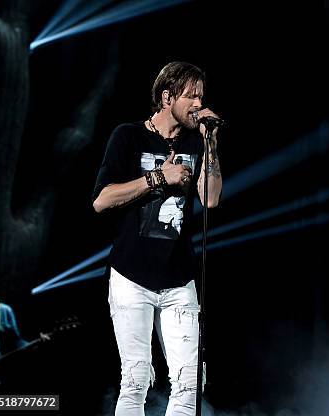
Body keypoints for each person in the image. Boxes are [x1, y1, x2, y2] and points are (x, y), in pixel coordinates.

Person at [92, 61, 223, 415]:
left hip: (180, 279)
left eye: (201, 95)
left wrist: (211, 145)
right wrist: (156, 178)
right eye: (190, 95)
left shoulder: (197, 142)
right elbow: (102, 201)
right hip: (131, 276)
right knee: (135, 380)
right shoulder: (128, 136)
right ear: (167, 97)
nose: (199, 102)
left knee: (189, 383)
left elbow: (210, 198)